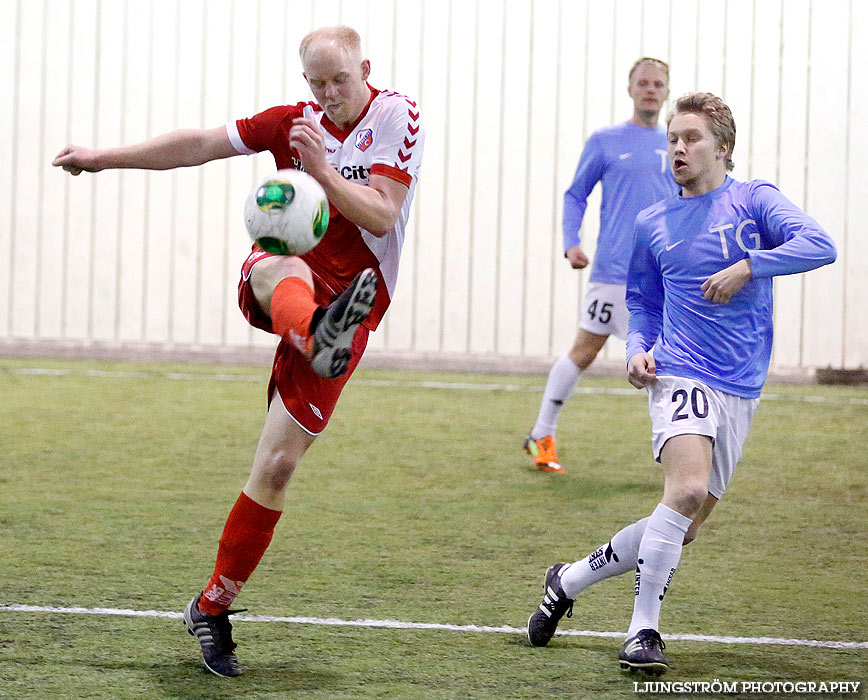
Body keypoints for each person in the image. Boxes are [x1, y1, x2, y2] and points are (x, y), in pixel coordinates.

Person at [53, 26, 425, 677]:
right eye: (317, 83)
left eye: (341, 79)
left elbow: (383, 216)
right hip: (295, 287)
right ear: (304, 81)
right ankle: (311, 330)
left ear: (365, 68)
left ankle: (212, 604)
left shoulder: (399, 115)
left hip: (356, 305)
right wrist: (102, 157)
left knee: (277, 468)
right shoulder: (291, 122)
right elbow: (199, 143)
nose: (330, 93)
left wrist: (321, 169)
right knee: (278, 260)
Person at [526, 92, 836, 675]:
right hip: (680, 370)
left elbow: (821, 245)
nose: (677, 148)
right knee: (687, 490)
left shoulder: (754, 201)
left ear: (723, 147)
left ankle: (566, 579)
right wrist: (640, 348)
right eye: (672, 139)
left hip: (741, 384)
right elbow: (642, 300)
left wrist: (751, 265)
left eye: (691, 138)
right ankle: (643, 631)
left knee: (683, 526)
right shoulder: (654, 222)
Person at [525, 57, 677, 473]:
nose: (650, 89)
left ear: (667, 92)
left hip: (664, 276)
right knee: (584, 351)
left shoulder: (677, 143)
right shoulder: (607, 141)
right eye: (643, 83)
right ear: (630, 89)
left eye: (658, 84)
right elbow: (576, 194)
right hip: (613, 272)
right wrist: (571, 242)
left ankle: (677, 457)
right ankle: (541, 434)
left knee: (665, 362)